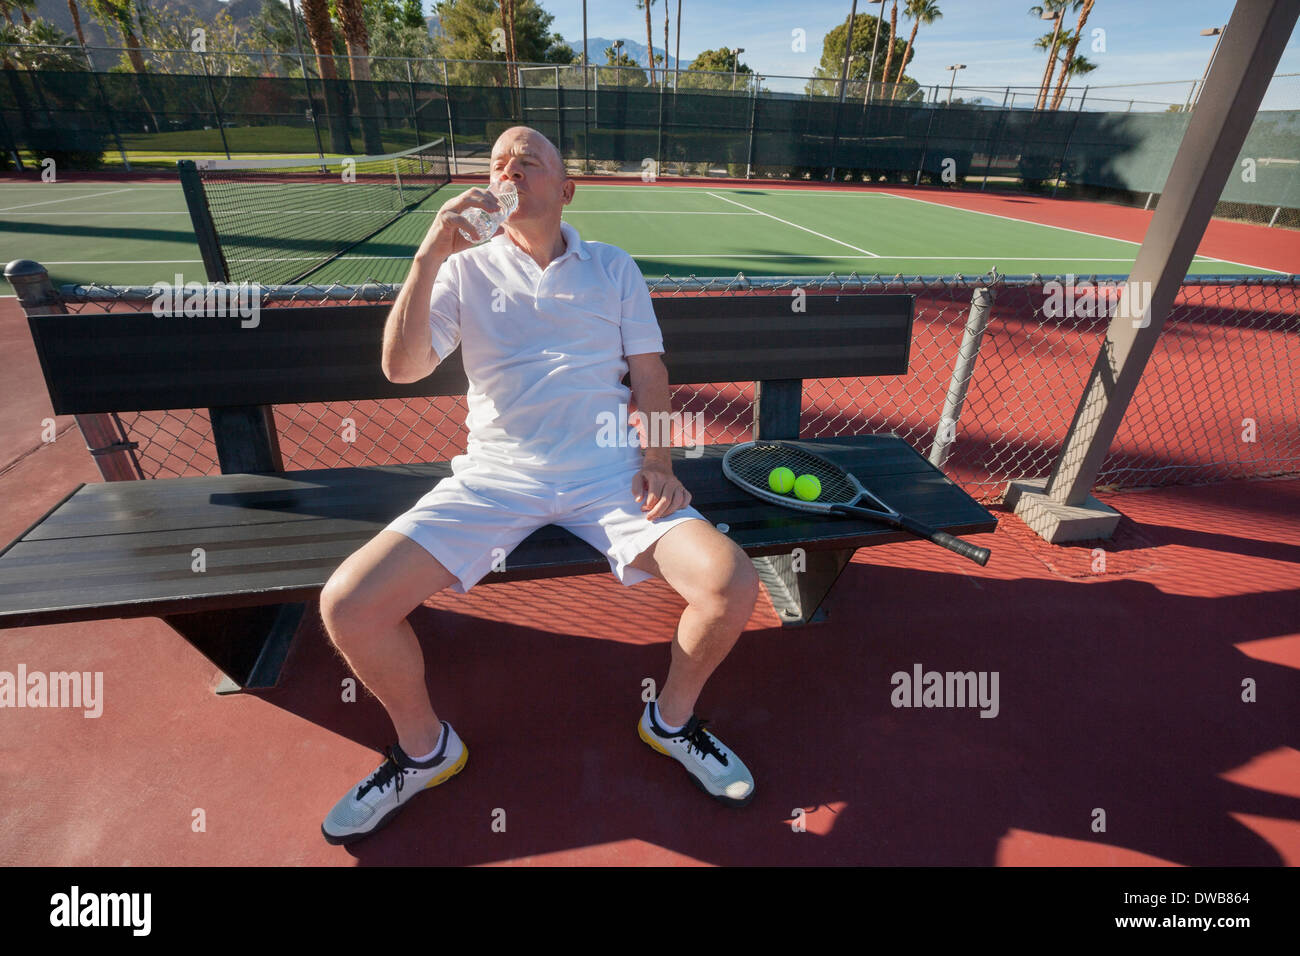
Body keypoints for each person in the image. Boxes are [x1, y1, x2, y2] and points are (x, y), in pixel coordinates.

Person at [319, 127, 761, 845]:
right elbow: (400, 367)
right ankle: (426, 751)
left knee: (730, 582)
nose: (509, 170)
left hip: (608, 473)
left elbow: (648, 374)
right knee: (348, 604)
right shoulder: (461, 272)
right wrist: (429, 254)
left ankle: (671, 722)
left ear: (565, 189)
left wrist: (660, 461)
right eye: (498, 162)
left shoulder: (614, 267)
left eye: (529, 161)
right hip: (495, 477)